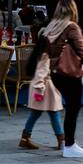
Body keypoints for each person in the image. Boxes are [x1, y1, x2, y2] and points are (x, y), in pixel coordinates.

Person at [44, 0, 83, 158]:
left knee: (66, 106)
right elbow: (81, 49)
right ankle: (70, 144)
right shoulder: (72, 27)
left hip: (54, 71)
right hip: (69, 71)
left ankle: (67, 142)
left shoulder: (51, 26)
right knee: (73, 107)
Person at [19, 19, 64, 150]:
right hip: (45, 89)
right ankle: (61, 139)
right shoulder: (45, 56)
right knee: (53, 113)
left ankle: (25, 137)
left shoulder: (40, 54)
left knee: (36, 114)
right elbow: (41, 74)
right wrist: (40, 90)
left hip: (43, 88)